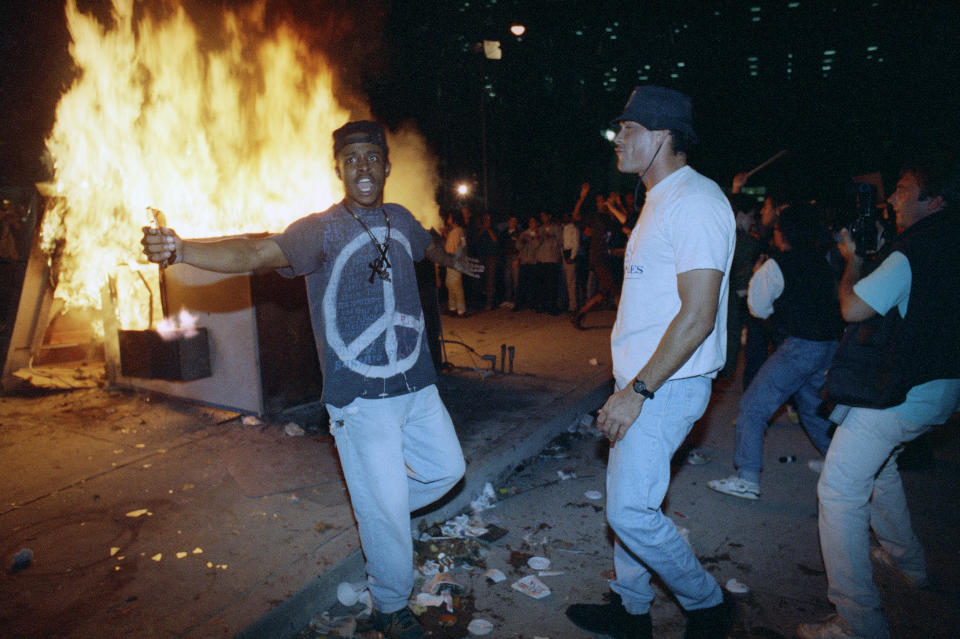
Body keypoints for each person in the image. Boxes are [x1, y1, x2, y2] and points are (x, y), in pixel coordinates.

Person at [141, 120, 482, 639]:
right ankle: (389, 606)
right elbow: (255, 254)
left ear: (386, 167)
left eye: (372, 158)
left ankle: (377, 512)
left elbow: (423, 247)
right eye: (352, 160)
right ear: (339, 169)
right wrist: (183, 249)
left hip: (417, 384)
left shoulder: (401, 218)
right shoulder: (320, 229)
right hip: (360, 396)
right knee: (387, 512)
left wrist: (451, 257)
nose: (363, 167)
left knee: (446, 471)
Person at [565, 85, 736, 639]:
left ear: (662, 135)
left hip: (664, 387)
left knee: (630, 514)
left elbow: (699, 314)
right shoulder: (658, 198)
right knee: (629, 502)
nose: (618, 138)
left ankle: (709, 607)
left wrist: (636, 391)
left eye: (629, 129)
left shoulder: (697, 203)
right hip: (644, 382)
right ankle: (631, 610)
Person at [798, 159, 960, 639]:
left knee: (838, 490)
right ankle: (907, 561)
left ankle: (857, 621)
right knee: (880, 466)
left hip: (903, 391)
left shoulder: (915, 250)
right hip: (940, 386)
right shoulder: (948, 243)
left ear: (934, 201)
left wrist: (852, 259)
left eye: (904, 189)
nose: (891, 199)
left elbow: (852, 308)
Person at [707, 202, 843, 500]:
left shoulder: (777, 264)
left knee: (752, 408)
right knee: (811, 407)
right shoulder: (824, 260)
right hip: (829, 346)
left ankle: (747, 477)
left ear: (782, 233)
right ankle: (840, 465)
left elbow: (757, 307)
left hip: (798, 345)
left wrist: (759, 279)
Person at [443, 209, 468, 316]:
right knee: (451, 284)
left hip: (453, 261)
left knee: (455, 285)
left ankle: (460, 310)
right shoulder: (460, 230)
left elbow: (450, 248)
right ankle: (453, 308)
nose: (448, 219)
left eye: (449, 217)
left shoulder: (455, 232)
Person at [499, 215, 521, 308]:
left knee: (516, 280)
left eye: (515, 221)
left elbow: (521, 247)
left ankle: (516, 301)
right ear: (508, 222)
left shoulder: (519, 233)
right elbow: (501, 245)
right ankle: (508, 299)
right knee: (507, 280)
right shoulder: (504, 233)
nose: (514, 223)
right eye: (512, 221)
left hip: (515, 257)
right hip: (506, 258)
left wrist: (518, 259)